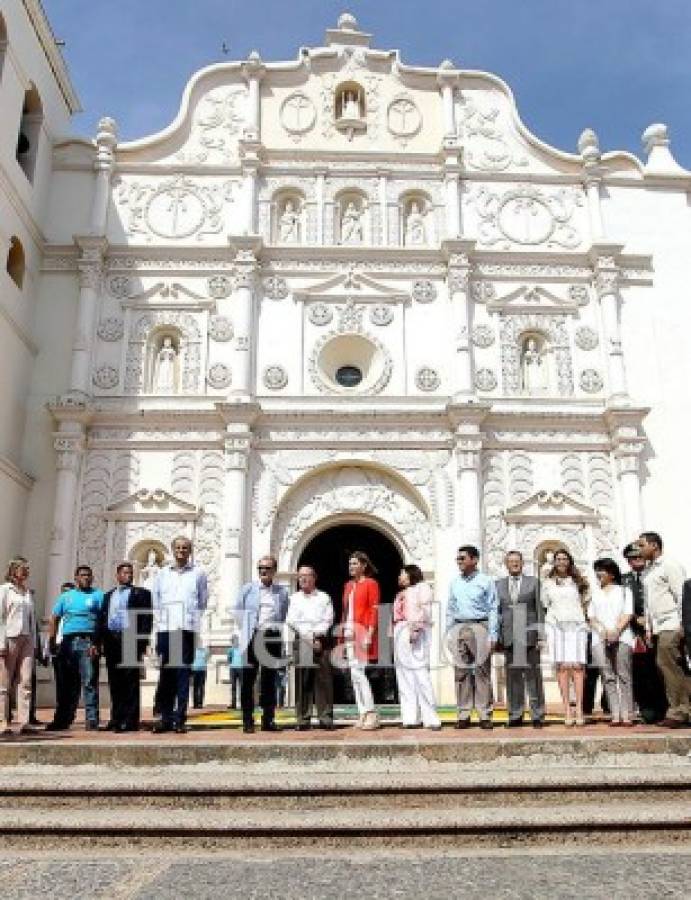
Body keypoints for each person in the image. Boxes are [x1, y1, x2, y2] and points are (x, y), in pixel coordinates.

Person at [151, 536, 208, 734]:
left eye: (185, 548)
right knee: (166, 675)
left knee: (183, 676)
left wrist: (190, 619)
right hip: (166, 628)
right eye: (178, 548)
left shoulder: (198, 574)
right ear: (172, 550)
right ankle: (165, 718)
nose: (181, 551)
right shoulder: (162, 574)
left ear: (190, 551)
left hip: (186, 628)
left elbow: (202, 601)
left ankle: (180, 719)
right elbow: (156, 601)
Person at [231, 555, 289, 734]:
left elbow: (283, 613)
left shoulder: (282, 592)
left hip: (271, 637)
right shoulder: (248, 589)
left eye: (267, 568)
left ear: (274, 571)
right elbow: (238, 611)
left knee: (269, 681)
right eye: (261, 568)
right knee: (248, 680)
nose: (263, 571)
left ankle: (268, 719)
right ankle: (248, 720)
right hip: (252, 636)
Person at [638, 532, 689, 728]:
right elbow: (649, 603)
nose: (640, 550)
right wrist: (649, 628)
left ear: (654, 545)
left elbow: (681, 596)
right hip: (658, 626)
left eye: (642, 545)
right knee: (666, 668)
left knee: (671, 667)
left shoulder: (670, 565)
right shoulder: (649, 571)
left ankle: (680, 711)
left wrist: (683, 624)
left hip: (672, 623)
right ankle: (680, 708)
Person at [446, 545, 499, 730]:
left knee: (482, 672)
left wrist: (493, 634)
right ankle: (463, 714)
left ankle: (485, 714)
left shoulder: (486, 581)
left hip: (480, 625)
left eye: (462, 558)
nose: (459, 562)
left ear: (474, 560)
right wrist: (449, 633)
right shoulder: (454, 582)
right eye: (458, 559)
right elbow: (450, 609)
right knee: (461, 673)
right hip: (459, 627)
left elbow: (493, 608)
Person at [47, 566, 104, 731]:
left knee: (89, 682)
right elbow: (55, 618)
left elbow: (103, 620)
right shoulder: (66, 597)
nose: (86, 578)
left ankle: (92, 720)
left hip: (88, 642)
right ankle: (63, 719)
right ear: (76, 578)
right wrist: (52, 640)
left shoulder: (98, 596)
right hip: (67, 643)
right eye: (82, 575)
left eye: (88, 575)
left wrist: (97, 643)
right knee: (67, 684)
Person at [100, 562, 153, 732]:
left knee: (130, 681)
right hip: (111, 640)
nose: (128, 575)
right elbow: (102, 619)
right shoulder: (108, 596)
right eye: (124, 573)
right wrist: (98, 641)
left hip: (131, 639)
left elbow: (146, 619)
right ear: (117, 575)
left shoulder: (141, 594)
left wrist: (143, 642)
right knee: (115, 681)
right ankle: (116, 718)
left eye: (130, 573)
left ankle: (130, 720)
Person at [496, 550, 545, 728]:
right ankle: (515, 714)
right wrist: (497, 636)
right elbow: (497, 612)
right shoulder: (498, 585)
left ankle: (537, 715)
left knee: (533, 677)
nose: (514, 564)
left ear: (523, 563)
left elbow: (539, 610)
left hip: (530, 635)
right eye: (511, 561)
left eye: (517, 561)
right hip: (509, 636)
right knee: (513, 678)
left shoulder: (534, 582)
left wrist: (541, 635)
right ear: (506, 564)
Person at [541, 548, 590, 726]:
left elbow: (586, 602)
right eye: (558, 559)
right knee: (562, 667)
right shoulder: (547, 583)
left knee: (577, 667)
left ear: (569, 561)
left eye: (564, 559)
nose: (561, 562)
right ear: (554, 562)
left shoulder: (579, 581)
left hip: (576, 625)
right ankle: (567, 709)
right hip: (556, 626)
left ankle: (579, 708)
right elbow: (545, 604)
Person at [286, 565, 334, 731]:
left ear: (314, 578)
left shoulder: (324, 597)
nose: (303, 579)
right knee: (303, 682)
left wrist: (317, 636)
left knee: (323, 681)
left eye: (306, 576)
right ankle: (303, 719)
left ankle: (325, 717)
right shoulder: (294, 598)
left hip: (321, 641)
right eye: (300, 577)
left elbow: (328, 619)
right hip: (303, 640)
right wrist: (308, 637)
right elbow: (292, 620)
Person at [622, 543, 667, 723]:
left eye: (639, 557)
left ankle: (662, 706)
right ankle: (646, 708)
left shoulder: (654, 573)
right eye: (633, 558)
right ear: (628, 561)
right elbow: (622, 604)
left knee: (660, 668)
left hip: (656, 626)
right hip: (633, 630)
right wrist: (634, 619)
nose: (637, 560)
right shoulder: (623, 580)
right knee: (639, 670)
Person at [588, 558, 635, 727]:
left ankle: (628, 713)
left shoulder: (624, 591)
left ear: (612, 573)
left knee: (623, 674)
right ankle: (615, 713)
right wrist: (603, 631)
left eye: (602, 570)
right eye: (597, 570)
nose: (599, 573)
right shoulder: (595, 593)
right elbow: (591, 617)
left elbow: (628, 613)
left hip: (622, 637)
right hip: (599, 638)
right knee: (607, 676)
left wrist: (616, 631)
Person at [393, 564, 440, 730]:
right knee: (404, 675)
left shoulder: (422, 588)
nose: (400, 576)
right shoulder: (401, 593)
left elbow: (425, 610)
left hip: (416, 631)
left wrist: (416, 628)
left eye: (402, 573)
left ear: (411, 574)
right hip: (401, 631)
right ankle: (410, 717)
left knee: (420, 673)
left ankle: (431, 718)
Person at [341, 551, 380, 731]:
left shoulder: (371, 584)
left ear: (364, 565)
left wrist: (370, 634)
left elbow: (374, 610)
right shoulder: (348, 585)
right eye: (350, 564)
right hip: (348, 632)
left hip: (362, 632)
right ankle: (362, 712)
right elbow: (345, 612)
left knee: (359, 673)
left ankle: (371, 712)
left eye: (355, 563)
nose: (352, 567)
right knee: (354, 675)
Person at [0, 557, 36, 735]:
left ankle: (24, 721)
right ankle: (2, 721)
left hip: (27, 638)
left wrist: (34, 642)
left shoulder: (27, 592)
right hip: (10, 638)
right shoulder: (5, 590)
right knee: (4, 682)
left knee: (26, 680)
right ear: (14, 570)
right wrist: (1, 643)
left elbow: (31, 619)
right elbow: (1, 618)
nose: (26, 572)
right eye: (23, 568)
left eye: (27, 569)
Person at [226, 634, 242, 709]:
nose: (233, 642)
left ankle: (243, 703)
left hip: (241, 668)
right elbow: (228, 659)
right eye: (232, 640)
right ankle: (233, 704)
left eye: (235, 640)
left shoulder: (242, 648)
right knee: (233, 686)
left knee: (242, 686)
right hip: (233, 668)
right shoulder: (230, 649)